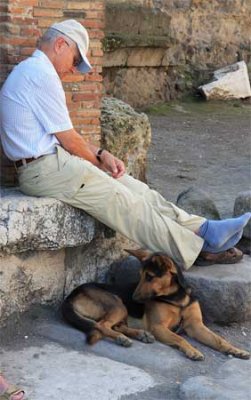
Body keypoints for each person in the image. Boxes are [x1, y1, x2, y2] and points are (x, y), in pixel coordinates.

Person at [0, 19, 250, 270]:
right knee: (124, 202)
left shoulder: (35, 72)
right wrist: (99, 161)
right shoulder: (39, 74)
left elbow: (67, 137)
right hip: (44, 170)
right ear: (61, 44)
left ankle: (203, 227)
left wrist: (102, 154)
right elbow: (70, 140)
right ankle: (196, 249)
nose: (74, 69)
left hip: (53, 164)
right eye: (76, 60)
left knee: (136, 189)